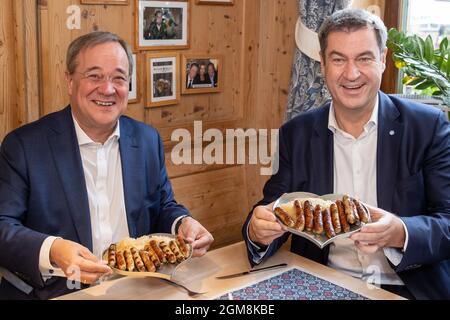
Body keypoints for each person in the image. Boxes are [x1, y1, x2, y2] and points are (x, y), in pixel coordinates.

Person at [242, 8, 450, 300]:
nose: (351, 74)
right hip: (320, 285)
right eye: (338, 59)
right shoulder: (296, 133)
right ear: (323, 64)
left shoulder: (428, 127)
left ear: (383, 60)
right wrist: (257, 232)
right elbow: (271, 210)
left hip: (408, 290)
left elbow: (447, 221)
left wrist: (401, 232)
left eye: (364, 58)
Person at [0, 31, 214, 300]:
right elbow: (3, 225)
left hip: (139, 289)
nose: (108, 89)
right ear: (69, 81)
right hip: (55, 293)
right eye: (94, 76)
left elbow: (162, 205)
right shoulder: (24, 145)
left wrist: (182, 224)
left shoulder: (147, 140)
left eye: (119, 78)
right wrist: (53, 249)